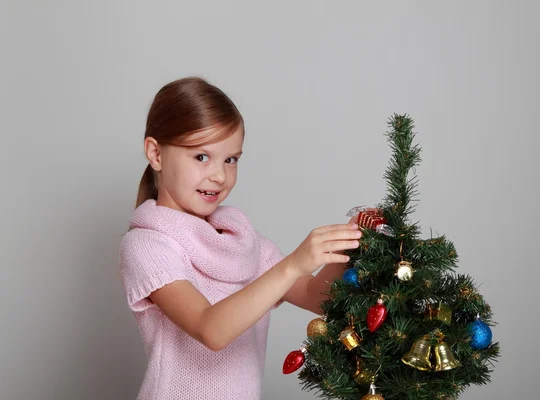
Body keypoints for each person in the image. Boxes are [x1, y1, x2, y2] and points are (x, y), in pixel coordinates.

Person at [119, 76, 362, 399]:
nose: (220, 176)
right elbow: (211, 329)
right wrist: (292, 265)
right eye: (201, 157)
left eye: (231, 159)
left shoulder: (244, 243)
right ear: (156, 153)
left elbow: (319, 298)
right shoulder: (148, 245)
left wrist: (350, 242)